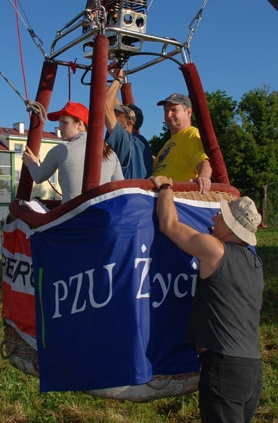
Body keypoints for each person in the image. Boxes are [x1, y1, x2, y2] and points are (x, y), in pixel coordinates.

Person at [151, 174, 263, 422]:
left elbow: (169, 225)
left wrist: (167, 187)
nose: (214, 217)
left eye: (221, 216)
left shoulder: (215, 250)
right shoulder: (255, 263)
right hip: (252, 370)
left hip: (225, 369)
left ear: (232, 227)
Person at [23, 101, 123, 202]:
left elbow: (39, 177)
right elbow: (120, 189)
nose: (59, 127)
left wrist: (32, 163)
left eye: (64, 123)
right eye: (59, 123)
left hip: (72, 215)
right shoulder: (110, 153)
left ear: (79, 124)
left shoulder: (62, 150)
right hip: (102, 214)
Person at [151, 93, 212, 193]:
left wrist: (204, 178)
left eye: (174, 110)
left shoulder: (191, 135)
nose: (168, 114)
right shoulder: (168, 143)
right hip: (159, 197)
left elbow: (203, 163)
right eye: (166, 110)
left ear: (188, 112)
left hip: (175, 200)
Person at [103, 65, 153, 179]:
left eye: (118, 114)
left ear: (129, 123)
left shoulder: (123, 139)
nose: (114, 116)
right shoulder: (141, 142)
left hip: (123, 194)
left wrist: (119, 79)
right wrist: (105, 81)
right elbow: (111, 102)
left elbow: (105, 106)